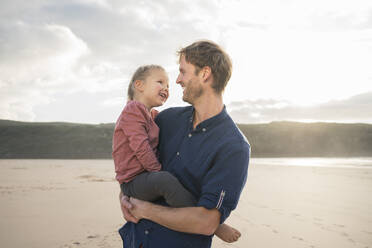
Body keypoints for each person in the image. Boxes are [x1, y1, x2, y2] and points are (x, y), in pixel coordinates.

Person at [119, 40, 250, 248]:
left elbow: (206, 222)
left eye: (183, 72)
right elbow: (131, 158)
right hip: (137, 241)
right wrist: (125, 196)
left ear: (205, 74)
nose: (178, 80)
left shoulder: (233, 146)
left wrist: (144, 209)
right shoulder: (166, 119)